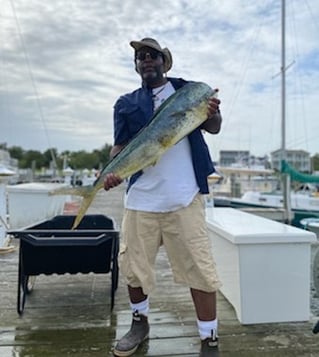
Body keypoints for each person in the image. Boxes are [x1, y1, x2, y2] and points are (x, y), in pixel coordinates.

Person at [104, 37, 222, 357]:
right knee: (133, 268)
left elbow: (213, 127)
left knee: (201, 269)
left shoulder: (190, 90)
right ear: (136, 65)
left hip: (185, 197)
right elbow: (119, 147)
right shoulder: (126, 103)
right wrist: (111, 171)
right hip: (141, 199)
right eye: (141, 57)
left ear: (164, 61)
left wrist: (212, 112)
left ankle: (208, 337)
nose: (146, 60)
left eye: (152, 55)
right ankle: (140, 324)